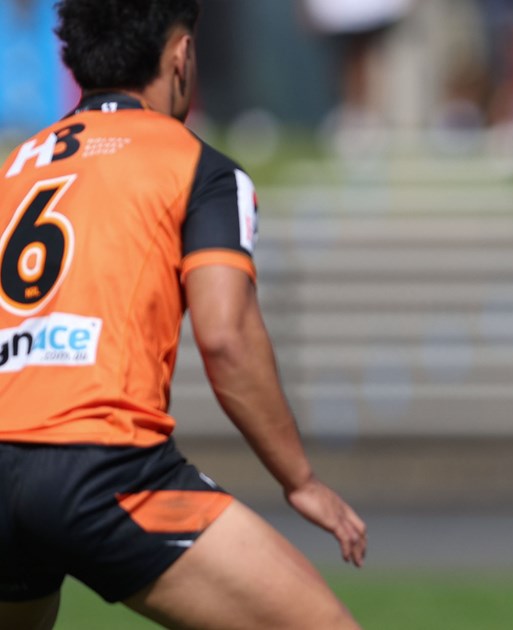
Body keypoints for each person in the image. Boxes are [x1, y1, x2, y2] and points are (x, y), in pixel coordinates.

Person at [0, 1, 367, 628]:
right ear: (181, 56)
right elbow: (225, 337)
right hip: (104, 465)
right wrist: (299, 479)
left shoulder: (14, 169)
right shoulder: (199, 167)